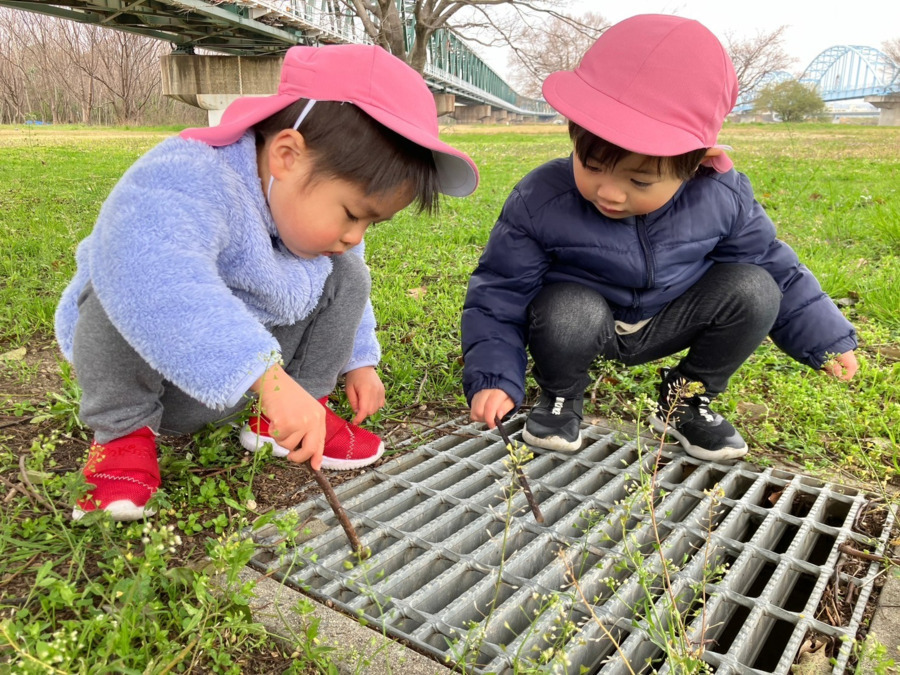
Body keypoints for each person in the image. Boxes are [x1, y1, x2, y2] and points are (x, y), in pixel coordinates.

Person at [55, 44, 478, 521]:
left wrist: (359, 361)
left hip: (247, 386)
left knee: (348, 274)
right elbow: (158, 278)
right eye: (353, 215)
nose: (354, 236)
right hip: (158, 378)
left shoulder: (320, 222)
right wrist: (269, 379)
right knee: (125, 279)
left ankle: (292, 416)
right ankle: (123, 437)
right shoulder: (188, 176)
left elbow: (347, 286)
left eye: (370, 224)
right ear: (287, 156)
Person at [461, 14, 857, 461]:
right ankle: (561, 394)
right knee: (567, 307)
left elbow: (774, 266)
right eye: (590, 166)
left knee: (755, 288)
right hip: (582, 321)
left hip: (670, 317)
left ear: (695, 165)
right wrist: (493, 375)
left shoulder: (722, 196)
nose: (608, 191)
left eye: (641, 181)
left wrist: (823, 337)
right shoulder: (541, 197)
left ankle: (685, 400)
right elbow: (500, 292)